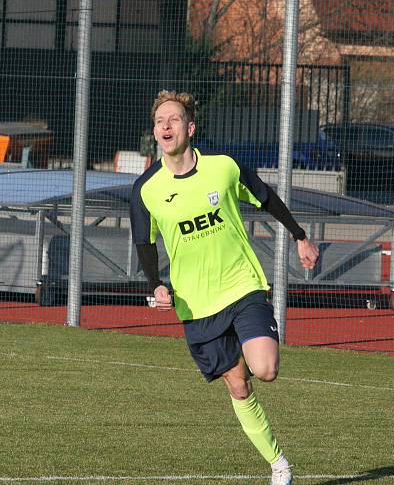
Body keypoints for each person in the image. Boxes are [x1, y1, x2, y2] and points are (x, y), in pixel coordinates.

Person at [130, 90, 320, 485]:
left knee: (265, 368)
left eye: (174, 119)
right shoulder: (146, 189)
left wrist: (300, 236)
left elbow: (266, 198)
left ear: (190, 128)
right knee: (238, 385)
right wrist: (155, 285)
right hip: (196, 304)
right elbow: (144, 243)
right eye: (160, 121)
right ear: (154, 132)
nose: (166, 126)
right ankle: (279, 464)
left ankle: (249, 345)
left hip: (241, 285)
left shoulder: (224, 168)